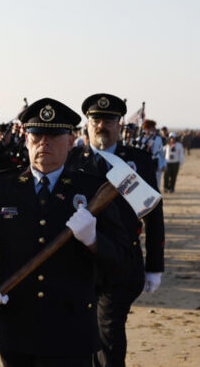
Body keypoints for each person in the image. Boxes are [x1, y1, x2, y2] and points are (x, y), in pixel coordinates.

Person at [0, 98, 130, 366]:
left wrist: (94, 241)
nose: (44, 143)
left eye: (54, 136)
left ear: (71, 141)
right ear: (26, 140)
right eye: (37, 136)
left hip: (71, 329)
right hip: (15, 326)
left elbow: (122, 261)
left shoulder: (95, 191)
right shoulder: (0, 188)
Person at [67, 94, 165, 367]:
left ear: (119, 124)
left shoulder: (136, 161)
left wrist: (155, 266)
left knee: (109, 331)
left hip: (122, 260)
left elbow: (153, 214)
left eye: (109, 120)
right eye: (96, 119)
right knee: (81, 332)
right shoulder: (72, 159)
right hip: (80, 260)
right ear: (87, 124)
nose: (101, 125)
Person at [139, 120, 165, 188]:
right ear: (146, 128)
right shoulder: (141, 139)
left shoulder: (158, 139)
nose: (153, 129)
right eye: (151, 128)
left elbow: (161, 153)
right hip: (143, 163)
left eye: (154, 128)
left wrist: (163, 164)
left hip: (155, 162)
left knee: (156, 183)